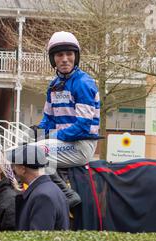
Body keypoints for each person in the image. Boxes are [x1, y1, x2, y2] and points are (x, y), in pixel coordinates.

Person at [33, 31, 100, 168]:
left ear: (76, 57)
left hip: (81, 145)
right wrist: (38, 132)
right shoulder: (54, 85)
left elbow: (82, 127)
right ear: (53, 59)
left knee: (30, 154)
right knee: (23, 150)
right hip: (63, 143)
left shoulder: (83, 83)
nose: (64, 59)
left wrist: (52, 136)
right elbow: (49, 120)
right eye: (59, 55)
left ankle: (63, 190)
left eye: (69, 54)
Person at [7, 144, 69, 231]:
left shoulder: (42, 197)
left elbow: (39, 240)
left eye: (14, 166)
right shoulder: (48, 188)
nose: (13, 170)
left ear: (23, 169)